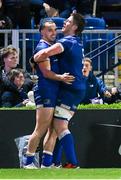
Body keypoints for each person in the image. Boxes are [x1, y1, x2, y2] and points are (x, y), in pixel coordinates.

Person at [34, 13, 86, 168]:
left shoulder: (67, 41)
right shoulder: (77, 42)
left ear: (75, 27)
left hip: (71, 89)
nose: (64, 22)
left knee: (60, 126)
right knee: (57, 127)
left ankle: (72, 163)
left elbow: (43, 54)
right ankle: (53, 163)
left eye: (68, 21)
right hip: (75, 89)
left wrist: (33, 59)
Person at [23, 18, 75, 168]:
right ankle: (28, 163)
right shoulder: (42, 47)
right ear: (42, 32)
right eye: (49, 30)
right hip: (46, 90)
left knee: (52, 130)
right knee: (41, 128)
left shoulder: (51, 47)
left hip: (54, 90)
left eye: (54, 29)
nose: (54, 32)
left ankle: (46, 164)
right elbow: (46, 73)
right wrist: (61, 77)